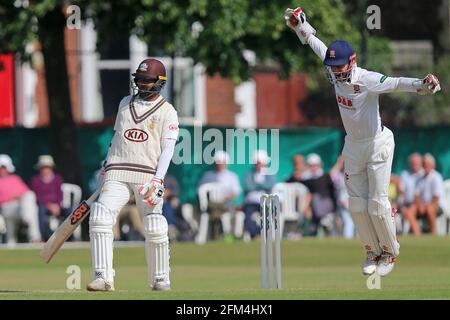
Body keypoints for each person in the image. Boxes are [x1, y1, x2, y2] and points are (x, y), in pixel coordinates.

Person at [285, 6, 440, 276]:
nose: (334, 72)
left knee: (377, 203)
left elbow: (393, 83)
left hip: (378, 143)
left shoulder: (366, 79)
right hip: (353, 146)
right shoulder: (335, 71)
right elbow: (315, 43)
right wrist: (300, 25)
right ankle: (372, 250)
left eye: (338, 66)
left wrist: (422, 84)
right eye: (331, 67)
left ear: (352, 61)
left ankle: (390, 253)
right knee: (356, 204)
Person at [86, 58, 179, 292]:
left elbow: (168, 149)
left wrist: (159, 179)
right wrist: (105, 165)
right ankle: (102, 277)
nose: (140, 84)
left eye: (146, 80)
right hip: (117, 171)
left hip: (147, 176)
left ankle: (160, 279)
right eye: (139, 79)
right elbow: (117, 137)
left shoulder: (168, 112)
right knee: (99, 215)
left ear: (159, 82)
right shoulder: (124, 103)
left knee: (155, 225)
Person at [198, 150, 241, 241]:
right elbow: (201, 190)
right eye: (217, 163)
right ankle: (216, 234)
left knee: (230, 212)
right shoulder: (208, 175)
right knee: (212, 209)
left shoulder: (232, 176)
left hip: (226, 205)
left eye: (221, 163)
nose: (219, 165)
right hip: (212, 205)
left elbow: (235, 192)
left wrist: (227, 197)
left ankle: (226, 234)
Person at [0, 154, 40, 244]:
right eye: (1, 167)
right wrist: (13, 197)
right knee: (31, 209)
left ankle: (34, 236)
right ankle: (34, 235)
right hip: (6, 208)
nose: (2, 169)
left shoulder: (15, 178)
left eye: (4, 167)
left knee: (30, 196)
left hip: (21, 207)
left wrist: (20, 198)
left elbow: (26, 193)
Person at [29, 155, 69, 241]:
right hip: (42, 206)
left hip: (57, 206)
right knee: (41, 211)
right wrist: (49, 205)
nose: (45, 169)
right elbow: (37, 197)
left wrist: (57, 206)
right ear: (40, 168)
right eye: (43, 167)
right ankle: (43, 237)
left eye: (47, 167)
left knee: (69, 212)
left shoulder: (58, 179)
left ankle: (69, 237)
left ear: (51, 168)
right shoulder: (35, 180)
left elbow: (60, 194)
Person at [408, 154, 446, 235]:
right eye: (424, 164)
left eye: (428, 164)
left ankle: (433, 233)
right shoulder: (420, 177)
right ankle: (417, 234)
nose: (426, 166)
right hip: (423, 206)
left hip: (437, 206)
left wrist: (424, 206)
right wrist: (420, 205)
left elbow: (436, 198)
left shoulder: (436, 177)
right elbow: (416, 195)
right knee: (410, 211)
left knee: (430, 209)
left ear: (433, 165)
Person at [242, 150, 276, 239]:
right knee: (248, 218)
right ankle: (256, 234)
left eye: (260, 162)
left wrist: (256, 185)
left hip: (265, 201)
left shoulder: (269, 173)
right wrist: (261, 186)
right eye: (257, 162)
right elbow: (248, 186)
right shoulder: (249, 173)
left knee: (267, 216)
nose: (259, 164)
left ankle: (264, 234)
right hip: (251, 202)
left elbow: (270, 185)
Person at [399, 153, 424, 233]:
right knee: (403, 210)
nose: (415, 164)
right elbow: (401, 192)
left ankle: (417, 234)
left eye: (417, 162)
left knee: (409, 212)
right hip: (407, 204)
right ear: (410, 163)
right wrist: (402, 205)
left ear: (421, 163)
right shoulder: (405, 174)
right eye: (413, 163)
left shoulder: (424, 174)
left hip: (421, 204)